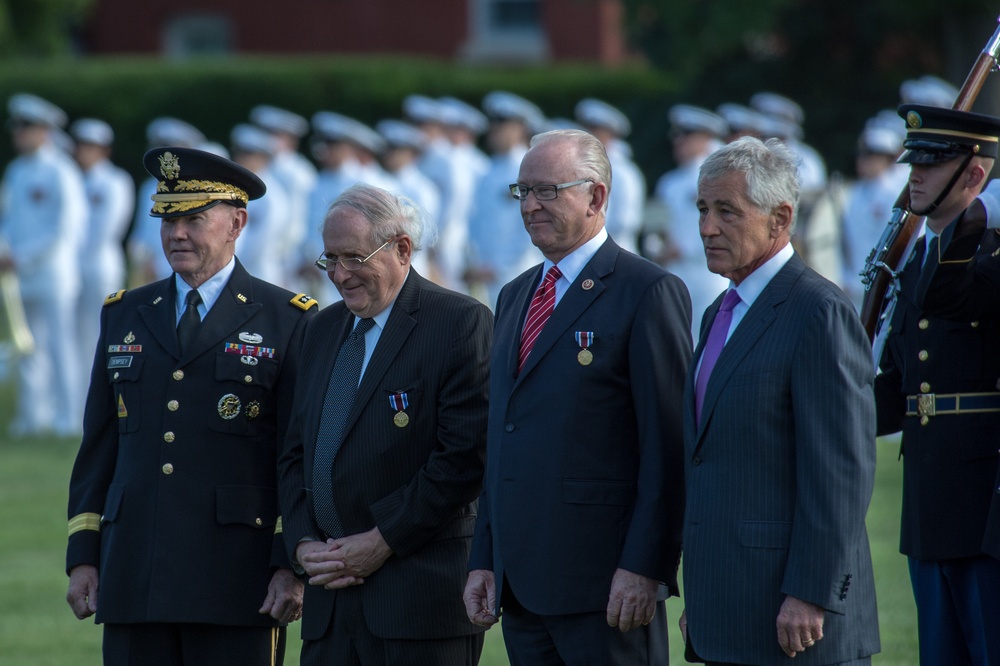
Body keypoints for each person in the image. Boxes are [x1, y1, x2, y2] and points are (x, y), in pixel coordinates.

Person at [66, 147, 316, 666]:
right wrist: (83, 557)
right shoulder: (126, 313)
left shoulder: (287, 319)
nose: (176, 234)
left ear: (236, 223)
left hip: (237, 578)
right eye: (168, 219)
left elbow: (300, 457)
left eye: (194, 219)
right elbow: (100, 445)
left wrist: (289, 562)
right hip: (136, 570)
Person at [463, 129, 692, 664]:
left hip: (606, 587)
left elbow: (666, 446)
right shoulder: (516, 293)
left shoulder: (646, 291)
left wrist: (646, 567)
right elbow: (504, 438)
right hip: (520, 586)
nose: (531, 205)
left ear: (596, 197)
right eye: (523, 192)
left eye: (548, 190)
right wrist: (485, 558)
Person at [681, 136, 880, 664]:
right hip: (729, 610)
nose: (706, 228)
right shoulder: (718, 314)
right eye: (702, 209)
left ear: (780, 217)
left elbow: (840, 469)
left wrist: (811, 592)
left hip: (795, 620)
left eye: (727, 211)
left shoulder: (818, 312)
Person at [277, 183, 491, 665]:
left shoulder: (459, 321)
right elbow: (295, 454)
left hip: (417, 602)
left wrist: (381, 541)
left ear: (401, 249)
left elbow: (462, 459)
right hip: (330, 600)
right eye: (329, 259)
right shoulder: (321, 328)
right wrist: (303, 544)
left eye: (353, 257)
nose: (340, 274)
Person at [874, 104, 1000, 665]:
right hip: (926, 499)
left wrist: (978, 217)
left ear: (974, 176)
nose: (914, 175)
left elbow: (952, 297)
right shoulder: (917, 256)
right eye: (913, 162)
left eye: (932, 163)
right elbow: (899, 386)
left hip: (983, 506)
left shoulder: (988, 256)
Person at [0, 93, 88, 437]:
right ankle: (33, 415)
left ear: (43, 131)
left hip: (53, 272)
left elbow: (64, 227)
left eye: (25, 129)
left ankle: (68, 417)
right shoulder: (17, 170)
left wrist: (22, 256)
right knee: (26, 343)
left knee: (60, 344)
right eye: (17, 129)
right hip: (19, 273)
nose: (18, 135)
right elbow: (9, 220)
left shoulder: (61, 170)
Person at [653, 104, 730, 342]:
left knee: (711, 340)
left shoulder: (721, 176)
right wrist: (658, 248)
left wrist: (685, 248)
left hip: (710, 271)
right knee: (676, 339)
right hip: (676, 271)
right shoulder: (668, 182)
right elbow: (656, 226)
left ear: (704, 138)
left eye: (686, 137)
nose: (679, 144)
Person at [69, 118, 135, 392]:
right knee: (77, 335)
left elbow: (109, 228)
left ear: (105, 150)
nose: (84, 152)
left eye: (91, 146)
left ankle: (101, 396)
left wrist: (75, 257)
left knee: (100, 334)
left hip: (100, 264)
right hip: (75, 265)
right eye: (82, 145)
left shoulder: (115, 180)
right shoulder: (74, 178)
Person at [465, 91, 546, 307]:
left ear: (520, 128)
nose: (494, 131)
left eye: (501, 125)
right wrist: (474, 262)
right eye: (494, 125)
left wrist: (499, 267)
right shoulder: (490, 168)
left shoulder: (528, 166)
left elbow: (531, 224)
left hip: (518, 271)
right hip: (484, 274)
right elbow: (477, 219)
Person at [574, 98, 646, 255]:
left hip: (618, 254)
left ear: (610, 134)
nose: (587, 135)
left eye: (594, 130)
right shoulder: (581, 167)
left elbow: (627, 221)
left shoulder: (623, 172)